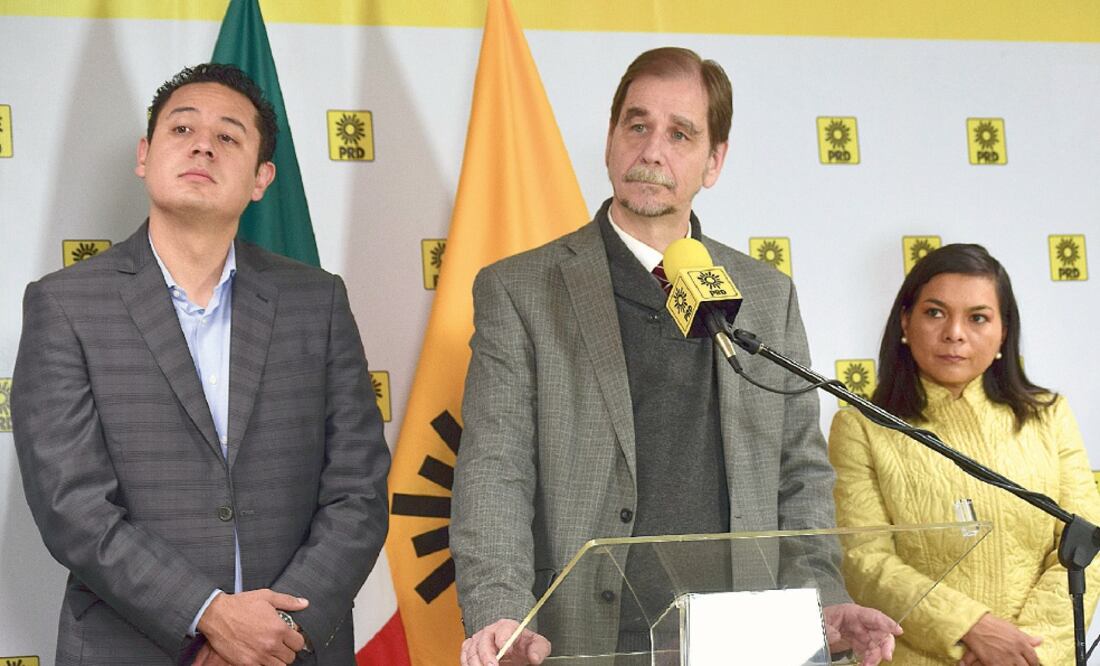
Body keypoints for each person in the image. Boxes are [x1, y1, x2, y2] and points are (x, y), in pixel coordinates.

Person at [451, 47, 901, 666]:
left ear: (713, 162)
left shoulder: (766, 296)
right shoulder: (522, 289)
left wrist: (819, 599)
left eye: (680, 133)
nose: (652, 151)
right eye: (637, 125)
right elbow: (494, 470)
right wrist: (502, 609)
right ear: (611, 140)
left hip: (747, 639)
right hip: (583, 639)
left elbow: (802, 474)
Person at [11, 63, 390, 665]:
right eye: (181, 129)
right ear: (145, 155)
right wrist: (208, 615)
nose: (202, 145)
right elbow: (71, 504)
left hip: (291, 650)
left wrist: (275, 630)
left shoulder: (315, 301)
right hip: (130, 647)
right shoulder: (67, 304)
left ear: (262, 178)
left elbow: (358, 491)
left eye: (229, 136)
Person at [828, 243, 1100, 665]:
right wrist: (971, 628)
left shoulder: (1048, 417)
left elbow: (1089, 545)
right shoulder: (862, 427)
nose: (955, 332)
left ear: (1003, 332)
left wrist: (1027, 651)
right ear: (905, 320)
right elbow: (866, 561)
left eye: (978, 318)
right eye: (935, 312)